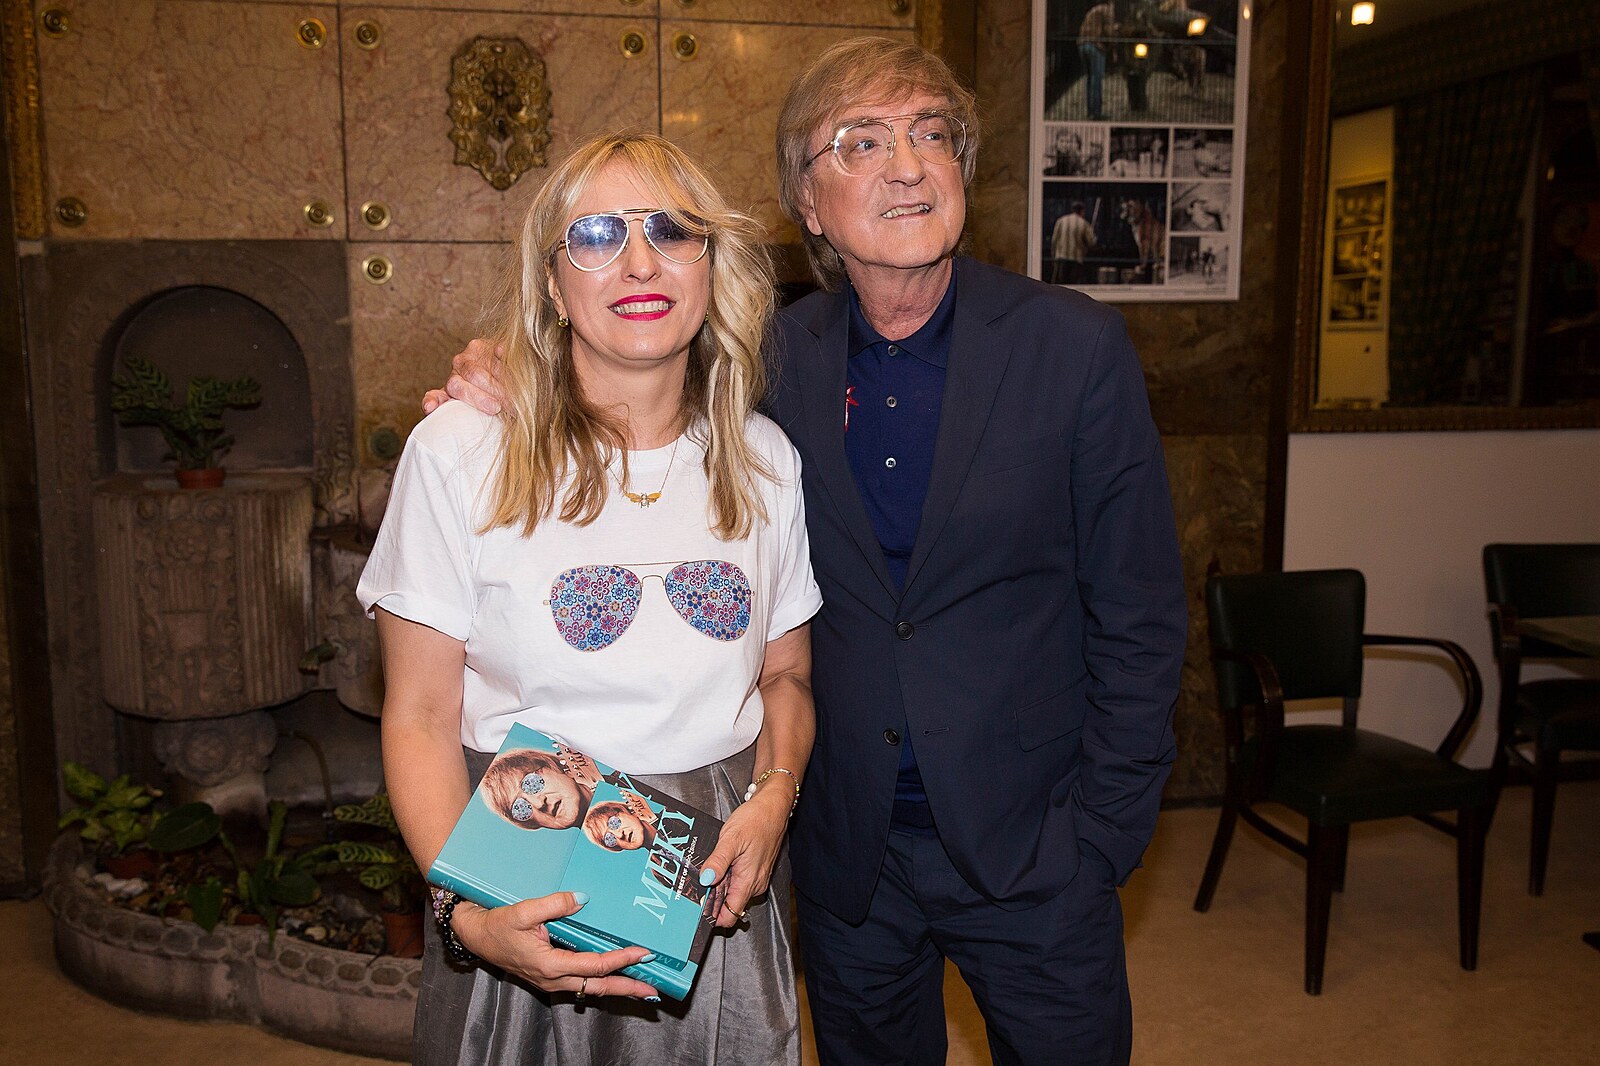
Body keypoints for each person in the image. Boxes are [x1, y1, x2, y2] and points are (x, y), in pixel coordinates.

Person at [434, 37, 1185, 1066]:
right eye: (862, 142)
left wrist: (1100, 836)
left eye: (932, 135)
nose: (908, 165)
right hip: (847, 858)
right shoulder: (768, 358)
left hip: (1035, 851)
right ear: (808, 203)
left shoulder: (1073, 346)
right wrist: (500, 369)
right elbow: (626, 362)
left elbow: (1141, 613)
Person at [364, 131, 822, 1066]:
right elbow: (418, 712)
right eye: (598, 235)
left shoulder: (765, 460)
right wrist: (465, 913)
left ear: (712, 265)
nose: (640, 262)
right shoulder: (460, 451)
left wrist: (775, 797)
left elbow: (787, 676)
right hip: (520, 863)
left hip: (710, 874)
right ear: (551, 280)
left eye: (672, 230)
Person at [1051, 200, 1098, 285]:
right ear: (1082, 211)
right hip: (1076, 260)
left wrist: (1054, 256)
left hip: (1061, 258)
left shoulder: (1061, 221)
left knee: (1060, 286)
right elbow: (1092, 242)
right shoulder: (1084, 223)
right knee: (1073, 286)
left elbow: (1054, 240)